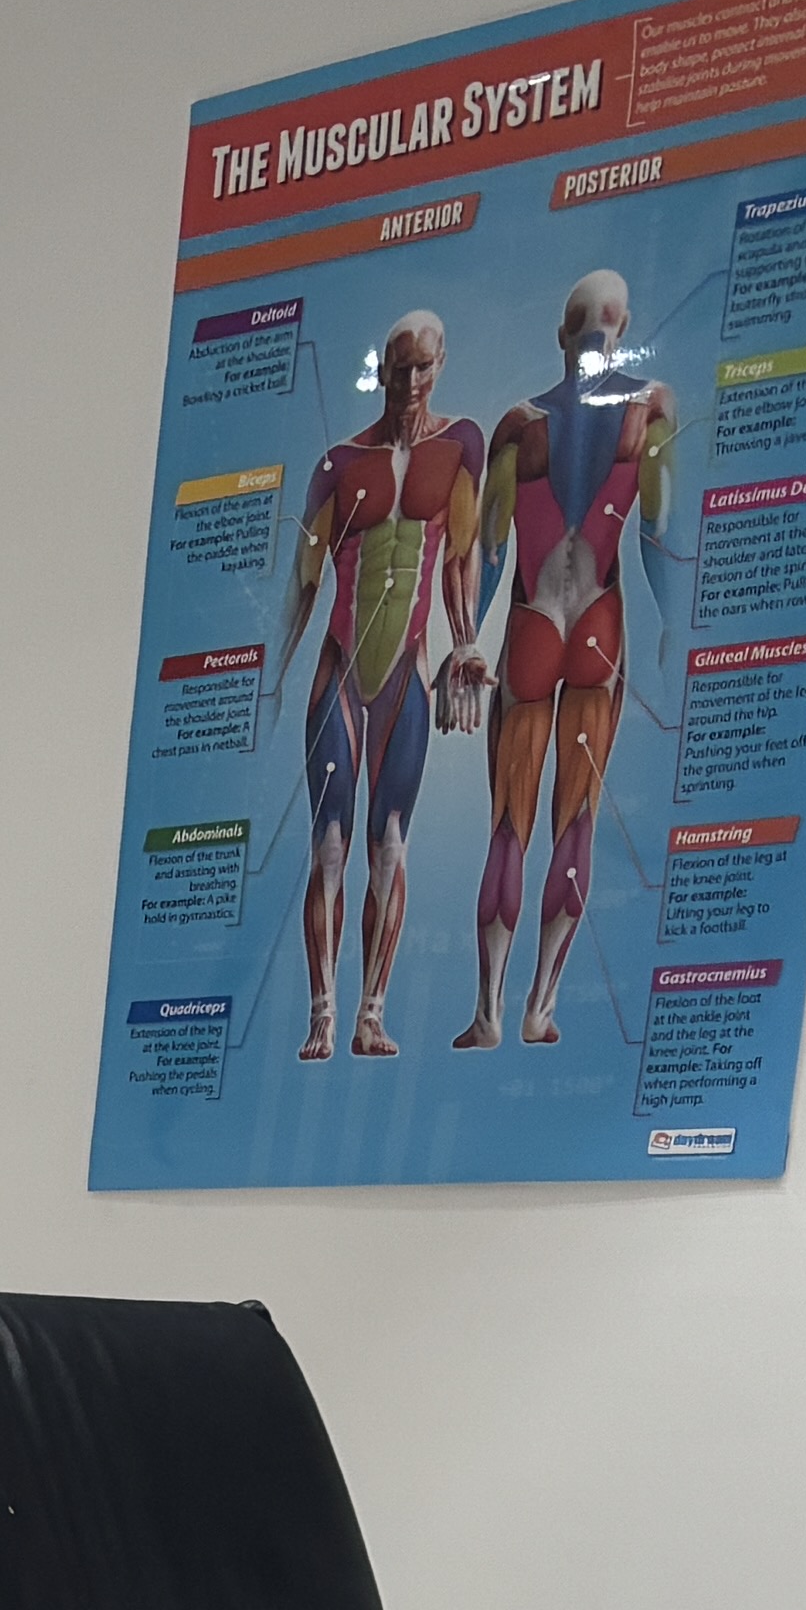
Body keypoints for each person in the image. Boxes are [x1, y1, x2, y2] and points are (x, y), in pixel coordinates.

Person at [466, 268, 675, 1051]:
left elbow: (487, 555)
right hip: (599, 625)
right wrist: (675, 630)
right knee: (575, 822)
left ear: (563, 332)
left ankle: (488, 1012)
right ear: (621, 326)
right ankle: (538, 1008)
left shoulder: (520, 425)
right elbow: (660, 534)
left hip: (531, 625)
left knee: (507, 828)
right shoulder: (650, 408)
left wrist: (466, 640)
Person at [282, 310, 484, 1064]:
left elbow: (462, 554)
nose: (409, 384)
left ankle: (371, 1013)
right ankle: (323, 1015)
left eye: (423, 368)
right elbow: (303, 584)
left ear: (441, 364)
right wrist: (270, 677)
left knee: (388, 849)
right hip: (339, 669)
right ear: (382, 366)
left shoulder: (460, 445)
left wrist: (467, 643)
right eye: (398, 368)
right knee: (329, 847)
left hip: (407, 673)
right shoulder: (339, 463)